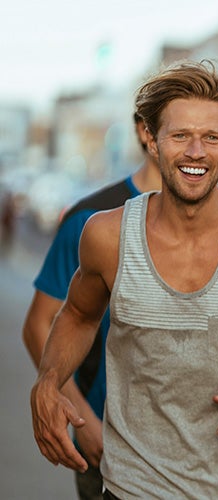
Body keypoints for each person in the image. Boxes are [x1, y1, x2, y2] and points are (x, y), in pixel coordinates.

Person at [29, 59, 218, 499]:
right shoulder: (106, 235)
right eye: (180, 136)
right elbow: (77, 315)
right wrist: (48, 380)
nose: (196, 152)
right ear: (151, 141)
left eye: (211, 137)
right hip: (132, 485)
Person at [21, 112, 161, 500]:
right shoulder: (92, 220)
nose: (192, 145)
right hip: (110, 444)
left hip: (205, 456)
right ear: (145, 131)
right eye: (177, 129)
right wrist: (83, 420)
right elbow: (39, 324)